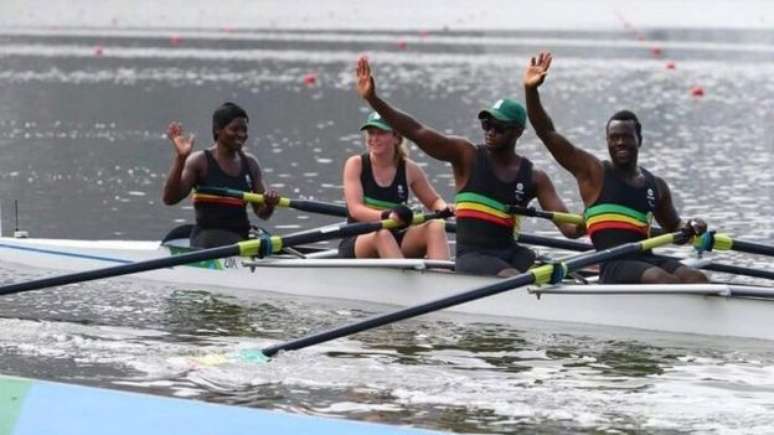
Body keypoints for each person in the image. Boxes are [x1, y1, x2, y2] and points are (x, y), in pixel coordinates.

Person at [354, 56, 584, 277]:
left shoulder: (535, 177)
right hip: (473, 257)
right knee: (515, 278)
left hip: (511, 254)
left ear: (517, 132)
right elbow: (417, 131)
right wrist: (373, 99)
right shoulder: (466, 156)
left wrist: (593, 218)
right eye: (486, 124)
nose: (490, 132)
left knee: (556, 270)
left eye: (498, 127)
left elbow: (570, 230)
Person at [523, 51, 709, 284]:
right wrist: (531, 90)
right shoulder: (593, 172)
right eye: (614, 138)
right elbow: (547, 133)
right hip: (613, 264)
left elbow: (675, 230)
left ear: (639, 139)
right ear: (607, 141)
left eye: (626, 137)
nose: (620, 142)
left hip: (645, 258)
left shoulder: (656, 186)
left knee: (697, 277)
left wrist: (692, 227)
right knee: (662, 279)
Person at [162, 102, 279, 248]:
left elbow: (262, 213)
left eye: (244, 130)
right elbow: (169, 198)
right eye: (235, 129)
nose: (241, 135)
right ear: (218, 130)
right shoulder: (200, 161)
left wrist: (270, 204)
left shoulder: (250, 163)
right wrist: (181, 158)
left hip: (240, 239)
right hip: (208, 239)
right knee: (220, 239)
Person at [339, 111, 451, 260]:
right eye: (371, 133)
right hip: (359, 238)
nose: (374, 139)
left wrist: (445, 209)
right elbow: (355, 210)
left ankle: (442, 280)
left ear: (396, 137)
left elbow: (433, 201)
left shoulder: (410, 169)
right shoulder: (355, 164)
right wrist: (387, 216)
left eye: (381, 133)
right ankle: (402, 279)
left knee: (436, 226)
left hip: (396, 236)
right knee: (383, 234)